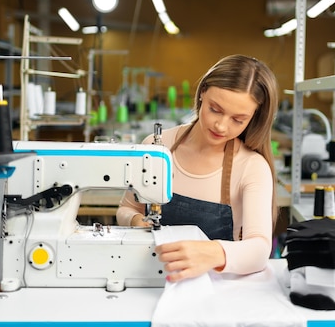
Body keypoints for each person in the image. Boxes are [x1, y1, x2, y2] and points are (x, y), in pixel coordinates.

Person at [116, 54, 279, 283]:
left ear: (253, 118)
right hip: (146, 279)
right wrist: (134, 220)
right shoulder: (155, 147)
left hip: (211, 289)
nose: (221, 126)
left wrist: (213, 253)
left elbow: (259, 250)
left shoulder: (250, 167)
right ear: (203, 91)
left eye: (238, 120)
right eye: (215, 109)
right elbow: (126, 208)